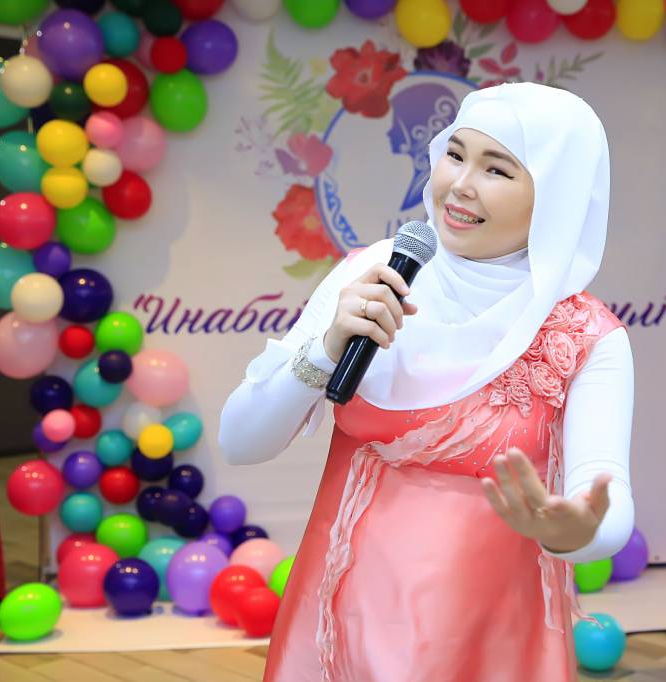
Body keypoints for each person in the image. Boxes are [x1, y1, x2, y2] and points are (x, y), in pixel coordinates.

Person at [219, 82, 635, 682]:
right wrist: (327, 348)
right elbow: (240, 441)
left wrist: (575, 531)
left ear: (556, 193)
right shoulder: (374, 274)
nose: (460, 184)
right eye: (455, 154)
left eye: (497, 169)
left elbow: (607, 496)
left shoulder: (587, 335)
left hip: (488, 640)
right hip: (335, 620)